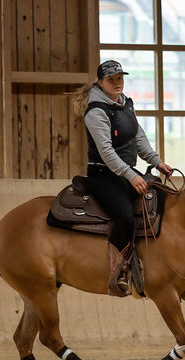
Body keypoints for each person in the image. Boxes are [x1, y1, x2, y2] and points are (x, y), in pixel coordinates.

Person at [70, 60, 172, 297]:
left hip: (125, 171)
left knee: (161, 198)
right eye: (111, 80)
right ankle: (118, 272)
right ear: (101, 83)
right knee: (124, 214)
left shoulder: (126, 104)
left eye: (120, 78)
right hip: (103, 174)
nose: (117, 83)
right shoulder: (96, 111)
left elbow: (139, 139)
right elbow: (106, 152)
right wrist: (130, 175)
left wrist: (157, 162)